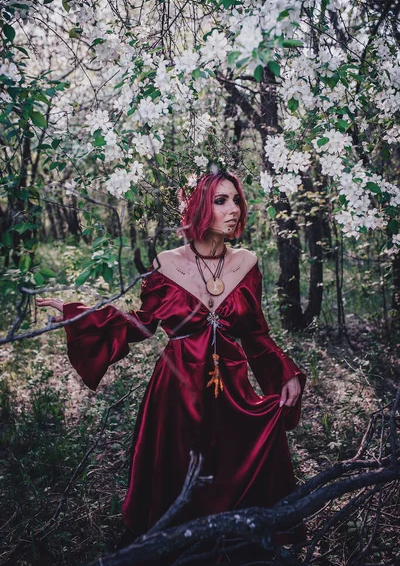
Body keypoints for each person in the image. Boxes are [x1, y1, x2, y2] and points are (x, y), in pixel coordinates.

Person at [36, 171, 306, 555]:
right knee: (178, 474)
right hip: (177, 392)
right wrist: (78, 313)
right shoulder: (166, 264)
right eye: (220, 201)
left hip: (231, 386)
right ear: (199, 207)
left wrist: (285, 372)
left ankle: (234, 543)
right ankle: (175, 545)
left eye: (236, 200)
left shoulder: (247, 263)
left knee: (242, 455)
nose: (234, 209)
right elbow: (140, 325)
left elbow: (256, 333)